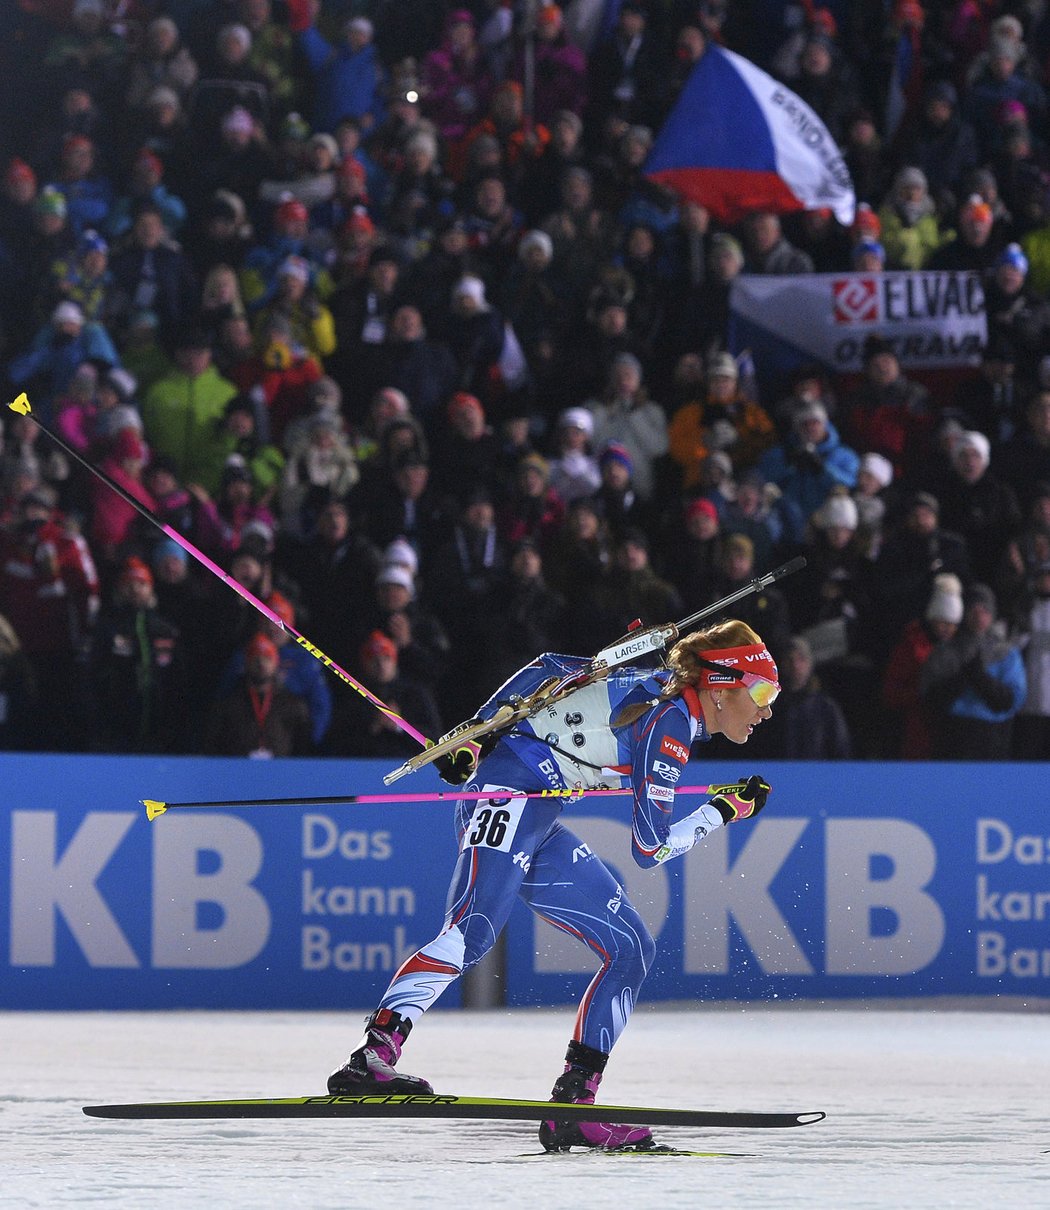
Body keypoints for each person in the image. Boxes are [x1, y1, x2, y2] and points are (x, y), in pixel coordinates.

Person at [326, 617, 778, 1153]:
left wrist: (479, 730)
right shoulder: (671, 723)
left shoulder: (661, 696)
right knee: (472, 930)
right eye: (763, 691)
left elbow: (552, 671)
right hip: (507, 798)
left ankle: (573, 1106)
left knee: (630, 947)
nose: (768, 709)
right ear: (723, 685)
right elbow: (650, 848)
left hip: (538, 812)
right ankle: (373, 1056)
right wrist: (722, 812)